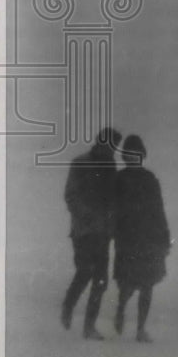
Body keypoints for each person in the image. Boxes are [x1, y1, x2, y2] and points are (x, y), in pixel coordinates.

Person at [61, 126, 121, 340]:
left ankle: (89, 327)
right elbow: (70, 195)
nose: (112, 150)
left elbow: (114, 199)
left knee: (101, 280)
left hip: (103, 233)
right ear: (100, 141)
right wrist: (87, 216)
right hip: (84, 231)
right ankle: (68, 306)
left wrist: (112, 222)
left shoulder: (111, 166)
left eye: (115, 147)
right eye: (110, 145)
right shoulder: (80, 163)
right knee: (85, 272)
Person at [113, 135, 171, 343]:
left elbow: (159, 209)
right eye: (130, 155)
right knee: (129, 284)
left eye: (137, 155)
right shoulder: (120, 180)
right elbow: (114, 209)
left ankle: (140, 328)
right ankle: (122, 310)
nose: (134, 158)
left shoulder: (149, 179)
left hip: (147, 238)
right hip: (130, 238)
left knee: (146, 284)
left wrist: (164, 237)